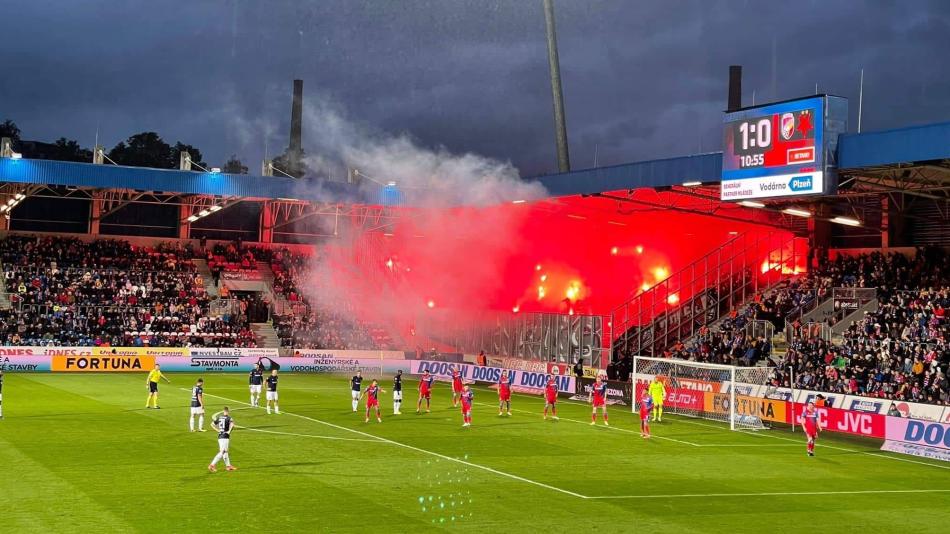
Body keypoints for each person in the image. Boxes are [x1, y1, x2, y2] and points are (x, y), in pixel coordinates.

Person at [208, 407, 237, 472]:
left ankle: (228, 466)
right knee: (223, 451)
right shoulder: (229, 418)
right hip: (225, 436)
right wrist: (229, 432)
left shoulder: (219, 417)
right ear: (228, 411)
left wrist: (218, 430)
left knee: (225, 451)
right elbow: (233, 425)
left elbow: (212, 424)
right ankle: (212, 465)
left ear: (223, 411)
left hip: (220, 436)